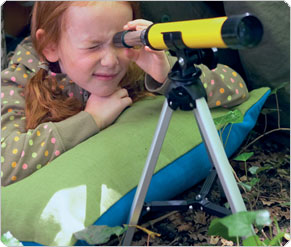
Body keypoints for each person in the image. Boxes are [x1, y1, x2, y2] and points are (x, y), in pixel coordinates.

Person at [1, 1, 248, 186]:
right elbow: (5, 161)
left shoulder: (136, 61)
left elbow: (237, 88)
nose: (111, 61)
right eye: (93, 46)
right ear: (51, 46)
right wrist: (91, 120)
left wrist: (167, 72)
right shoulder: (19, 78)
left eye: (122, 40)